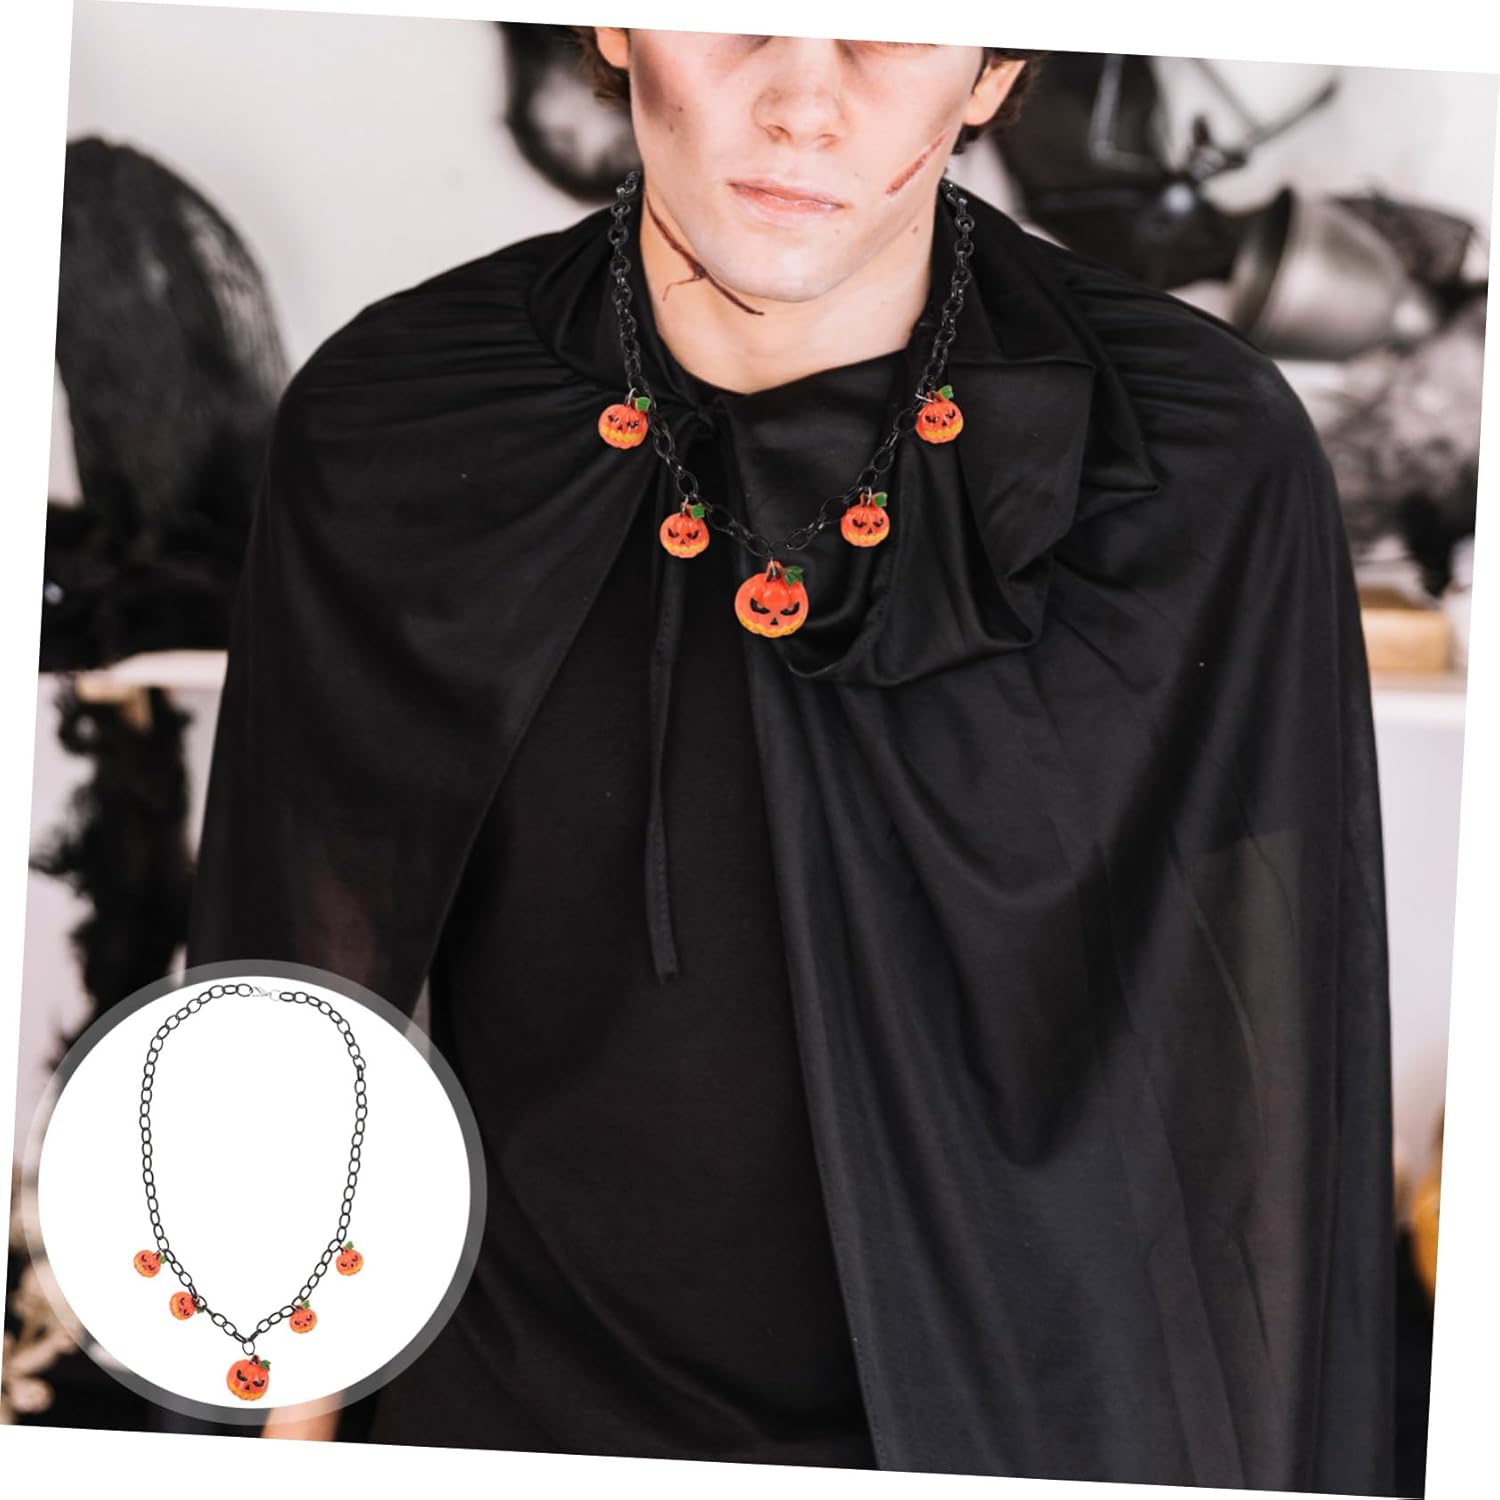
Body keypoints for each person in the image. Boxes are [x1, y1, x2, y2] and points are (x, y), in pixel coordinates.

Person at [182, 26, 1396, 1494]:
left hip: (1034, 1424)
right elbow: (298, 1015)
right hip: (517, 1407)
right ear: (615, 24)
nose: (804, 103)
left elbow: (1255, 1092)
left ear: (994, 72)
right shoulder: (402, 416)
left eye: (895, 27)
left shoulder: (1193, 457)